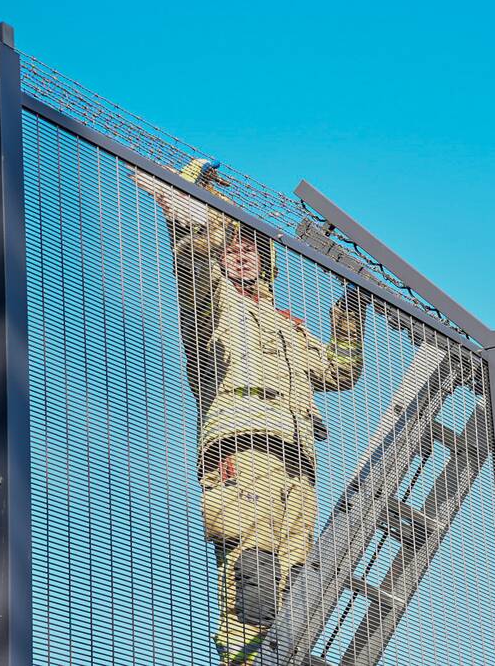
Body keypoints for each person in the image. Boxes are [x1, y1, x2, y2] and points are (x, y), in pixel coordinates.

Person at [132, 159, 369, 665]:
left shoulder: (291, 327)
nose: (242, 256)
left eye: (252, 250)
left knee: (298, 586)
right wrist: (192, 222)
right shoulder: (214, 306)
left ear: (266, 262)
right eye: (233, 248)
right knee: (253, 575)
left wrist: (351, 310)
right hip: (242, 452)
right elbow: (193, 272)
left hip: (299, 466)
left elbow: (341, 373)